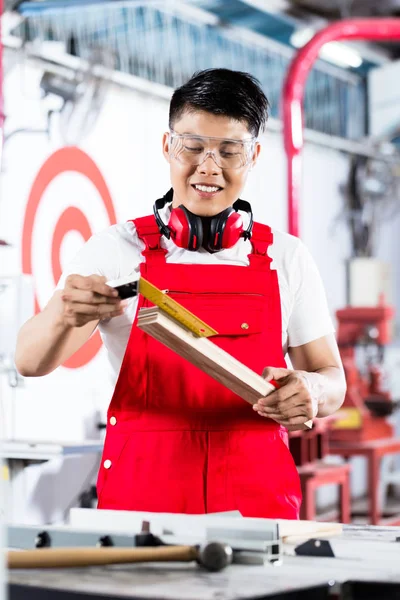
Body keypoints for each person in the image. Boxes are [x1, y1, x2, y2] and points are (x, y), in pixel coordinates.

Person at [15, 68, 346, 519]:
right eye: (193, 146)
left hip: (257, 509)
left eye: (229, 151)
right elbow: (29, 362)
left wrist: (311, 388)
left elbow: (332, 381)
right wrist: (64, 316)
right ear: (168, 146)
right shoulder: (116, 251)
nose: (208, 167)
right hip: (141, 510)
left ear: (254, 157)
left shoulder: (286, 258)